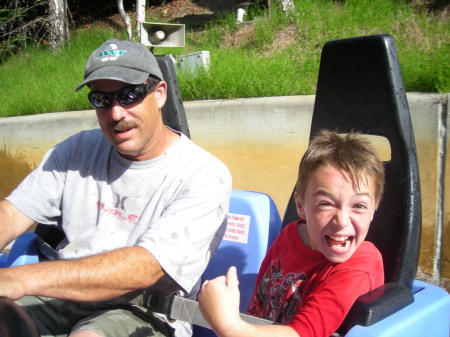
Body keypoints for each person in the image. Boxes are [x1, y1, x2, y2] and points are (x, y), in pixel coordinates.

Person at [0, 38, 232, 337]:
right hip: (63, 295)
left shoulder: (204, 174)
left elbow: (146, 267)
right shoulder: (75, 151)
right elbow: (12, 212)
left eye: (130, 95)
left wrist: (19, 279)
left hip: (145, 308)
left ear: (159, 94)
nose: (116, 114)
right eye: (102, 100)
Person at [198, 130, 385, 337]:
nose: (341, 220)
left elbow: (301, 334)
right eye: (325, 204)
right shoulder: (290, 235)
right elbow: (260, 303)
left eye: (358, 205)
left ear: (375, 208)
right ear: (300, 205)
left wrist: (227, 325)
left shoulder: (358, 267)